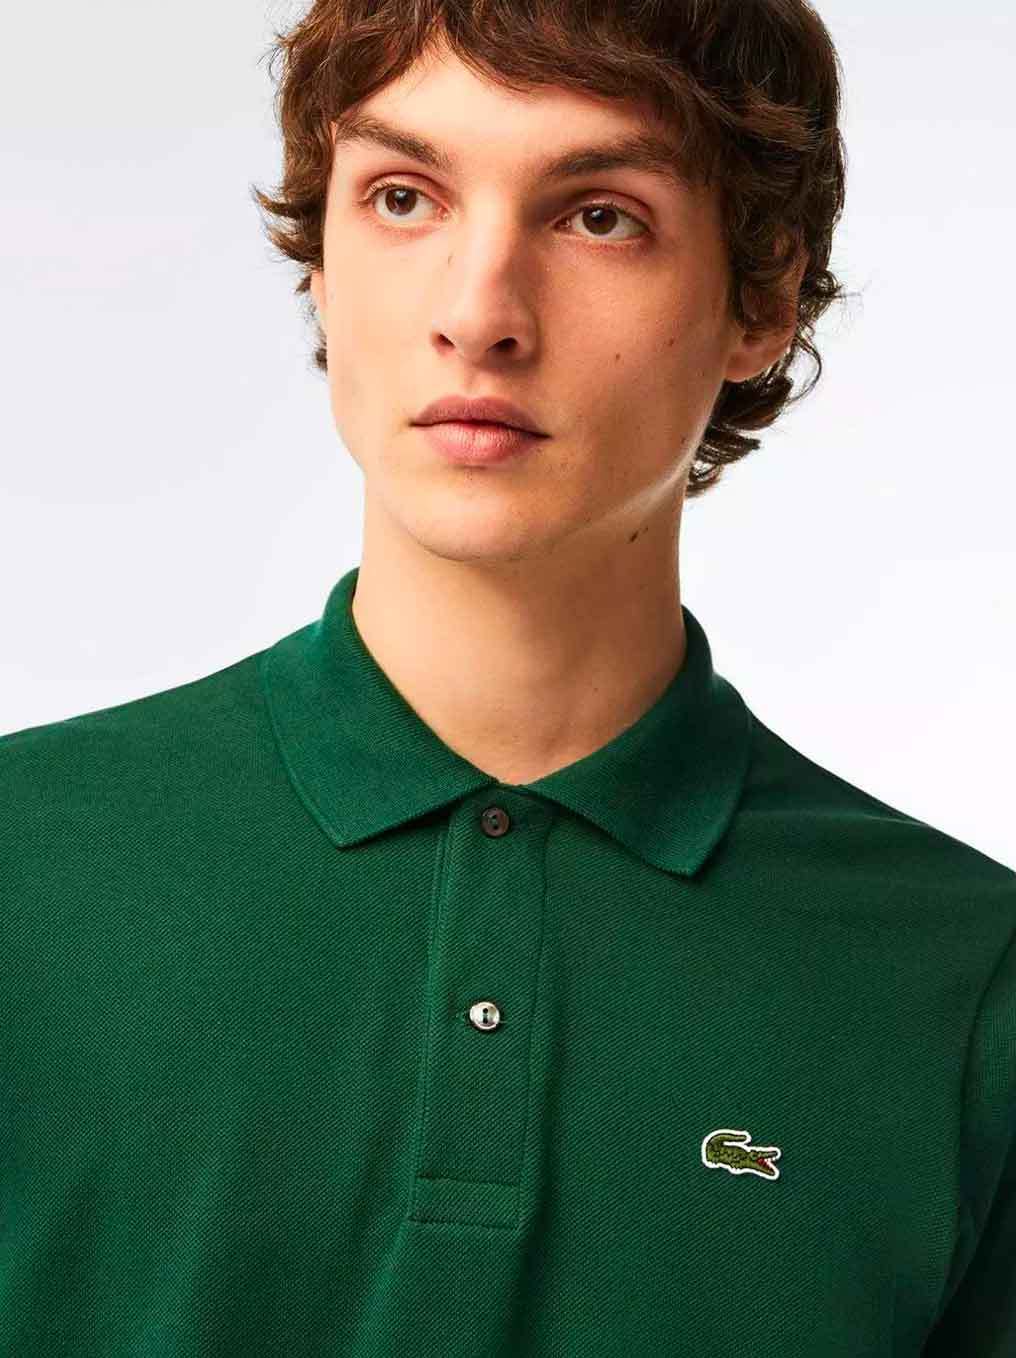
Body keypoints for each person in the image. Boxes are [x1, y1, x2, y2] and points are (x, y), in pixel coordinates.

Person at [1, 1, 1012, 1354]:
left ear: (762, 298)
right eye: (403, 198)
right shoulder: (23, 868)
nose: (478, 314)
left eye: (599, 216)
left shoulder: (967, 984)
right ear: (321, 261)